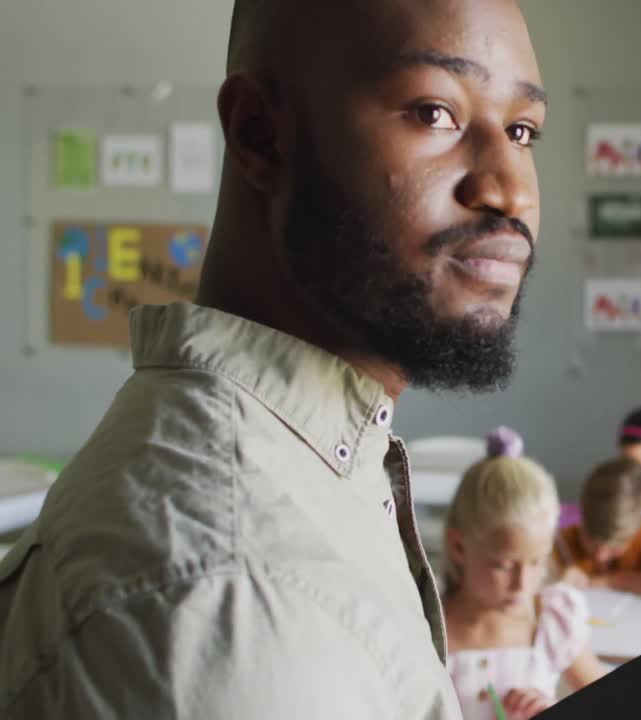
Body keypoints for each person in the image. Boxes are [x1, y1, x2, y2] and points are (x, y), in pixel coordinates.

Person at [0, 0, 546, 716]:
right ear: (260, 135)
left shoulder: (312, 464)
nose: (508, 187)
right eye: (432, 112)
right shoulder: (233, 604)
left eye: (521, 129)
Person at [443, 429, 607, 720]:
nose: (523, 584)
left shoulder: (551, 619)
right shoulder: (426, 631)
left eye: (537, 563)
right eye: (504, 566)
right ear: (458, 546)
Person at [557, 458, 641, 602]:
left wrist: (608, 581)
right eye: (591, 540)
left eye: (615, 547)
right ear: (582, 518)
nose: (600, 556)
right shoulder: (564, 541)